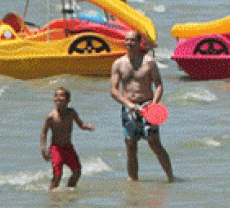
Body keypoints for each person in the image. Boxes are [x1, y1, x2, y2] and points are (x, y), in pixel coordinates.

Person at [109, 30, 174, 182]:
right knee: (131, 146)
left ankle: (171, 178)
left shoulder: (149, 62)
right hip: (129, 108)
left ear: (139, 43)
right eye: (127, 40)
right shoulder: (118, 64)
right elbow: (113, 90)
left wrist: (154, 105)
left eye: (132, 40)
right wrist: (128, 104)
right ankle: (134, 183)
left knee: (155, 143)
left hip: (148, 106)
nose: (129, 43)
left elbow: (159, 85)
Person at [41, 86, 94, 190]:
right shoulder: (51, 116)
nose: (59, 98)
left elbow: (80, 124)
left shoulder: (71, 113)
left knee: (77, 171)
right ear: (54, 99)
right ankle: (51, 195)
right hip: (56, 149)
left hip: (68, 147)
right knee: (58, 176)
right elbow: (44, 132)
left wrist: (86, 126)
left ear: (68, 100)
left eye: (62, 96)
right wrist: (44, 149)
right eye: (56, 95)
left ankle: (70, 190)